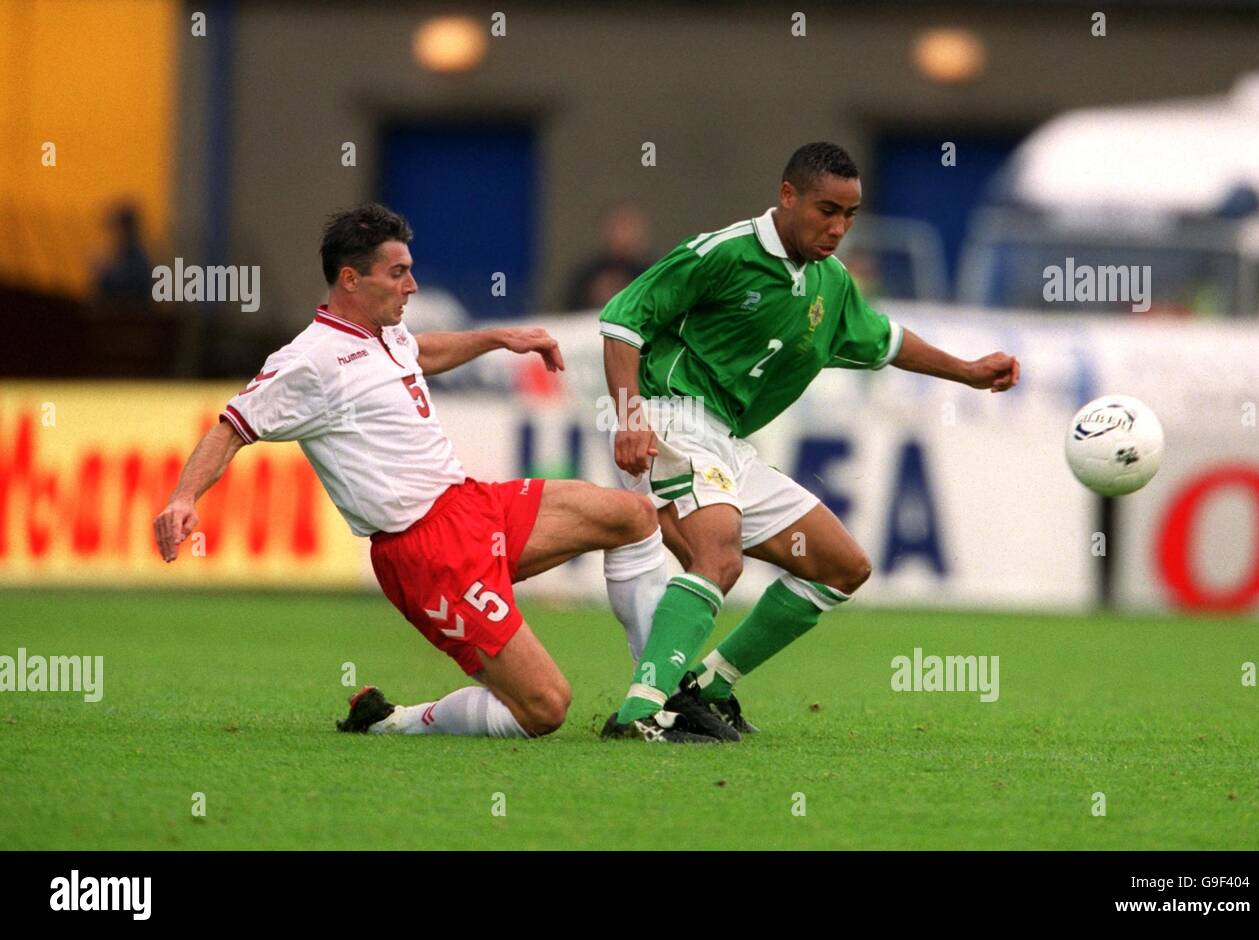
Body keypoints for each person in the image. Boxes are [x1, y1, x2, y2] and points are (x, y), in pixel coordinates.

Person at [153, 203, 720, 742]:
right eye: (397, 273)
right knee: (545, 709)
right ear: (350, 279)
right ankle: (393, 721)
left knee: (631, 514)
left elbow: (420, 352)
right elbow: (233, 424)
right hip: (425, 554)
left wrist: (499, 337)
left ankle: (658, 698)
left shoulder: (383, 333)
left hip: (470, 505)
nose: (412, 285)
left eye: (410, 271)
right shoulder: (308, 361)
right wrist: (184, 497)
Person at [598, 142, 1021, 739]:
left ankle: (708, 687)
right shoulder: (723, 253)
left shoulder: (830, 283)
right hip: (674, 416)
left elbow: (888, 341)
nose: (839, 227)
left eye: (849, 215)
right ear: (787, 195)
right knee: (718, 558)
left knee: (841, 566)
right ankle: (641, 714)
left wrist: (970, 371)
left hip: (726, 443)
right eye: (827, 210)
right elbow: (622, 318)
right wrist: (629, 414)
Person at [562, 201, 651, 311]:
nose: (624, 236)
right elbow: (569, 312)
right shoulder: (588, 275)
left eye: (630, 228)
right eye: (620, 227)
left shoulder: (653, 274)